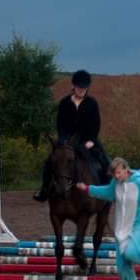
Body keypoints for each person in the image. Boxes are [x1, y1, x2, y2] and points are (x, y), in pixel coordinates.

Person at [34, 69, 111, 202]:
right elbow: (61, 123)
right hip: (67, 139)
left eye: (84, 88)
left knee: (105, 162)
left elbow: (96, 124)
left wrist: (91, 140)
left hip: (87, 139)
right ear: (73, 86)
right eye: (79, 87)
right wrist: (63, 138)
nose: (81, 90)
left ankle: (108, 193)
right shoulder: (64, 102)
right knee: (49, 162)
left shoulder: (92, 103)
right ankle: (44, 190)